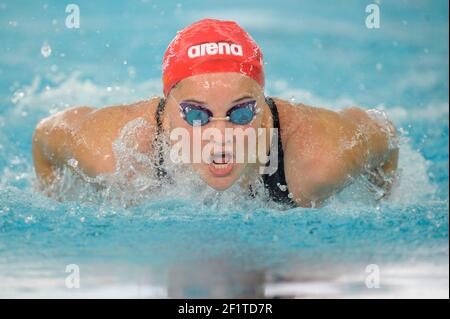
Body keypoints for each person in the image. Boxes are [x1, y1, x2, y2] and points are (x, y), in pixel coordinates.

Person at [32, 18, 398, 208]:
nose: (219, 136)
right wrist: (59, 201)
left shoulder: (318, 159)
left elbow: (384, 135)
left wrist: (380, 202)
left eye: (240, 114)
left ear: (262, 103)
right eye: (196, 115)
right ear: (168, 108)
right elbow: (45, 136)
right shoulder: (118, 153)